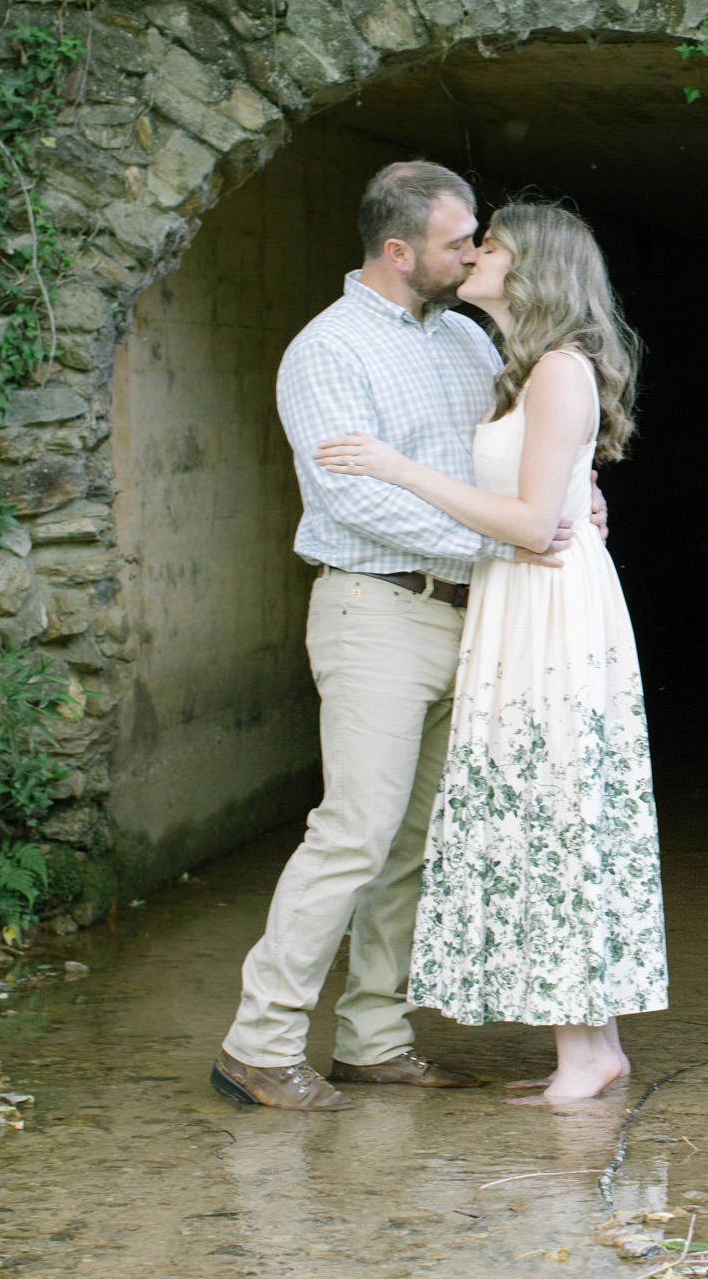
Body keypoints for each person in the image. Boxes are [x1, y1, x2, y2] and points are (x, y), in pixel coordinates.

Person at [211, 161, 603, 1112]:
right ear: (398, 252)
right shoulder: (328, 350)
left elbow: (518, 465)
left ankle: (373, 1041)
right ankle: (258, 1044)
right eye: (457, 240)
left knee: (414, 844)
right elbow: (350, 496)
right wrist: (506, 537)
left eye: (481, 239)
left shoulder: (472, 341)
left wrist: (564, 500)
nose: (474, 252)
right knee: (352, 830)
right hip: (375, 610)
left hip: (477, 619)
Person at [314, 198, 667, 1103]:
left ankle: (587, 1052)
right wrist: (574, 498)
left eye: (491, 245)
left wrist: (397, 467)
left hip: (548, 602)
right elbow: (547, 499)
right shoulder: (521, 369)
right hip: (524, 594)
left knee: (557, 812)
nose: (473, 254)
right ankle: (591, 1048)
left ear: (531, 268)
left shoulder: (556, 370)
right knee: (547, 812)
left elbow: (530, 520)